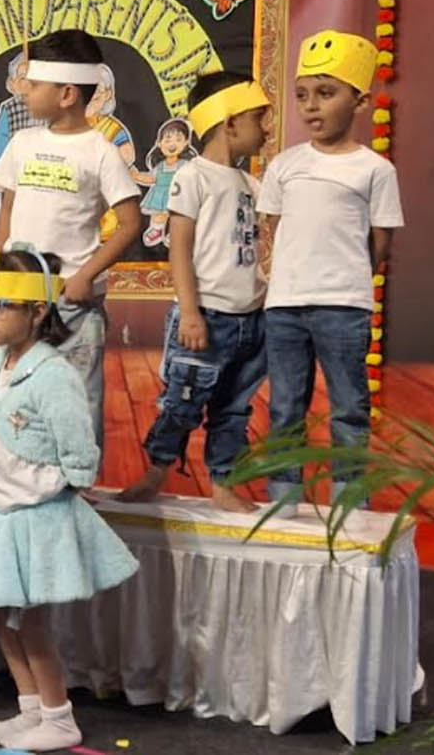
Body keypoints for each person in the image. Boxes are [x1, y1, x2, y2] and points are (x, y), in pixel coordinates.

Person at [0, 248, 139, 751]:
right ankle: (31, 708)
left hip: (34, 513)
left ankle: (58, 715)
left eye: (3, 306)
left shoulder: (54, 374)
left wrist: (63, 483)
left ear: (38, 311)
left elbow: (77, 445)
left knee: (29, 621)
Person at [257, 30, 404, 517]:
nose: (311, 106)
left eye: (325, 93)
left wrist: (343, 278)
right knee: (285, 408)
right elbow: (274, 228)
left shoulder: (374, 169)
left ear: (359, 102)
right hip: (284, 307)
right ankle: (283, 501)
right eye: (302, 95)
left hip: (343, 307)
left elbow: (379, 243)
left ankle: (349, 504)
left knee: (348, 408)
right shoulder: (285, 165)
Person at [119, 73, 271, 512]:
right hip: (206, 316)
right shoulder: (192, 176)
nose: (266, 129)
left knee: (234, 408)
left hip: (250, 318)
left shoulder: (252, 185)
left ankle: (224, 483)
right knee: (182, 401)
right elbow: (180, 249)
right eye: (259, 118)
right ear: (230, 122)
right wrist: (190, 313)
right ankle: (155, 473)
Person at [0, 29, 144, 464]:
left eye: (34, 84)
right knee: (15, 385)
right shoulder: (22, 143)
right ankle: (19, 468)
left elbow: (130, 222)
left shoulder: (100, 151)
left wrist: (85, 276)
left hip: (72, 303)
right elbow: (8, 207)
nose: (24, 91)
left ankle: (76, 477)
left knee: (77, 394)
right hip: (18, 296)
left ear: (67, 94)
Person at [137, 117, 197, 249]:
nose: (172, 144)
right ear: (159, 143)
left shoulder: (185, 165)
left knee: (180, 216)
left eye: (178, 140)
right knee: (158, 215)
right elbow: (151, 178)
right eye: (168, 140)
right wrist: (136, 176)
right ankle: (157, 230)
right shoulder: (160, 166)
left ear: (186, 143)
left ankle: (177, 234)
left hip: (178, 194)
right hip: (160, 195)